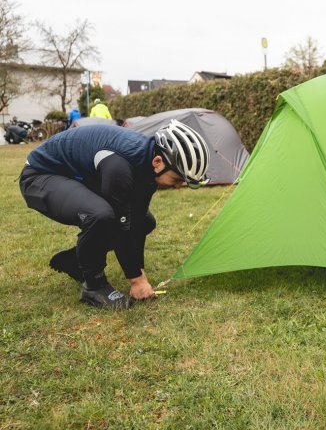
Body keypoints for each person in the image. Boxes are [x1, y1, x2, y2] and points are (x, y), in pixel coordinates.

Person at [19, 120, 210, 309]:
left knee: (145, 222)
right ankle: (94, 287)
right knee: (100, 214)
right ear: (158, 162)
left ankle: (76, 261)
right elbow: (121, 225)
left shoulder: (149, 164)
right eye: (177, 178)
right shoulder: (120, 166)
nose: (178, 185)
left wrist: (139, 272)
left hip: (72, 176)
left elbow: (134, 220)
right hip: (39, 176)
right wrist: (136, 281)